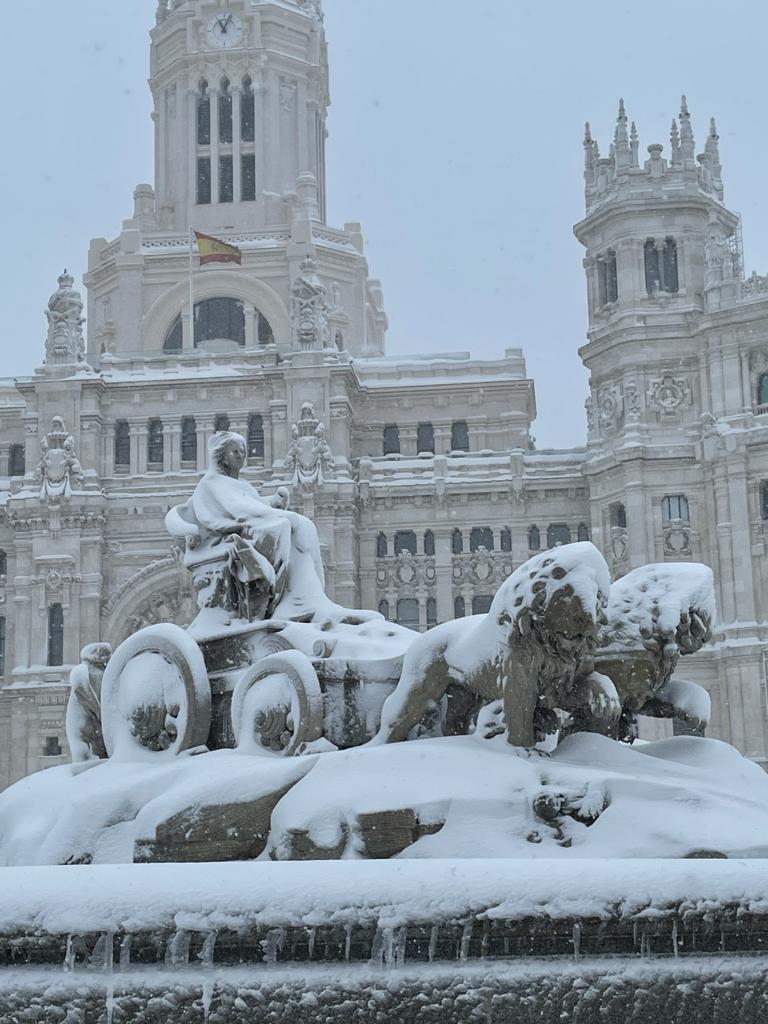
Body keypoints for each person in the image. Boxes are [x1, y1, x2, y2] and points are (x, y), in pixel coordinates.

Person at [167, 431, 343, 623]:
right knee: (284, 526)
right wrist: (272, 514)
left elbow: (253, 504)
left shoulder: (240, 484)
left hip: (249, 528)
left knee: (303, 526)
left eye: (243, 451)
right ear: (222, 457)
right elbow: (240, 510)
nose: (241, 456)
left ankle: (309, 596)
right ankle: (289, 600)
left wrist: (273, 503)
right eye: (235, 452)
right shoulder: (210, 484)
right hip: (230, 536)